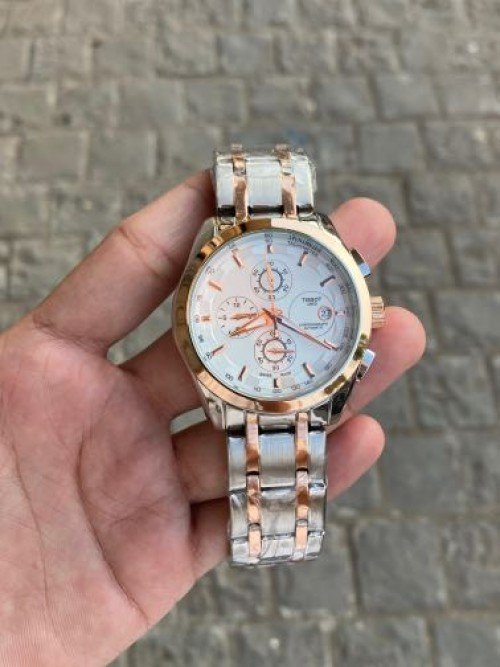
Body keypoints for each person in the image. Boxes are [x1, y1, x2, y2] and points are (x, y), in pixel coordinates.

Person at [0, 171, 425, 665]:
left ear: (364, 312)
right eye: (263, 313)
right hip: (246, 388)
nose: (273, 317)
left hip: (302, 387)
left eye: (278, 314)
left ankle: (280, 533)